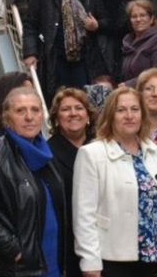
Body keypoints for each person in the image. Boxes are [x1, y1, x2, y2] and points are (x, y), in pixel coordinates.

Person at [73, 86, 157, 277]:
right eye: (121, 110)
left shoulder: (154, 151)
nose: (129, 116)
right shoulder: (91, 154)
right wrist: (90, 261)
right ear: (110, 116)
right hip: (112, 261)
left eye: (135, 109)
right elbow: (83, 214)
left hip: (152, 256)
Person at [0, 87, 68, 277]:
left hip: (52, 260)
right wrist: (12, 248)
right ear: (7, 118)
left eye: (35, 110)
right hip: (19, 268)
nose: (29, 117)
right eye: (20, 111)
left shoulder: (47, 154)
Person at [22, 0, 110, 103]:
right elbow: (30, 24)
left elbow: (105, 19)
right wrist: (30, 53)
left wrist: (96, 25)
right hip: (55, 59)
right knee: (59, 101)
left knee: (83, 100)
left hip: (84, 58)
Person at [47, 87, 96, 277]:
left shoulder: (103, 147)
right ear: (56, 119)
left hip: (101, 239)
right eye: (66, 109)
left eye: (79, 108)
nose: (73, 113)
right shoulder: (47, 154)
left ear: (88, 116)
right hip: (65, 242)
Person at [120, 0, 157, 86]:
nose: (138, 19)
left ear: (151, 19)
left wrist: (129, 84)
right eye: (134, 16)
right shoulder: (127, 42)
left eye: (143, 15)